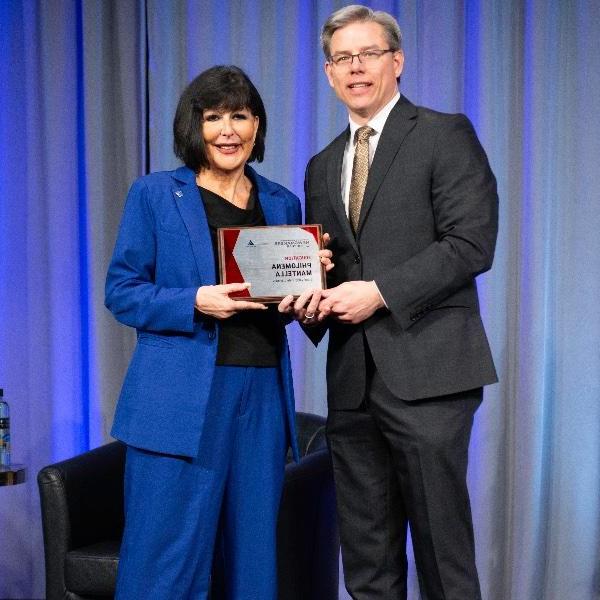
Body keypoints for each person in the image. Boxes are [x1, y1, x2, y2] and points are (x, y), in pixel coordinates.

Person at [280, 5, 498, 599]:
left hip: (429, 376)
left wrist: (378, 293)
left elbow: (471, 244)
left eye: (368, 53)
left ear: (396, 62)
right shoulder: (322, 165)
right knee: (368, 566)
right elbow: (326, 266)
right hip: (351, 385)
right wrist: (309, 301)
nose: (356, 67)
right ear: (328, 73)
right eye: (342, 58)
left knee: (442, 559)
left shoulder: (444, 133)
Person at [105, 65, 331, 600]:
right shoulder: (156, 195)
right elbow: (123, 291)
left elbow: (282, 306)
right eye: (214, 117)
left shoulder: (281, 203)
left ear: (256, 125)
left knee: (254, 560)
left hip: (260, 399)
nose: (228, 130)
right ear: (194, 125)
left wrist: (313, 283)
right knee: (165, 559)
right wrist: (195, 301)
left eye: (240, 115)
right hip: (177, 401)